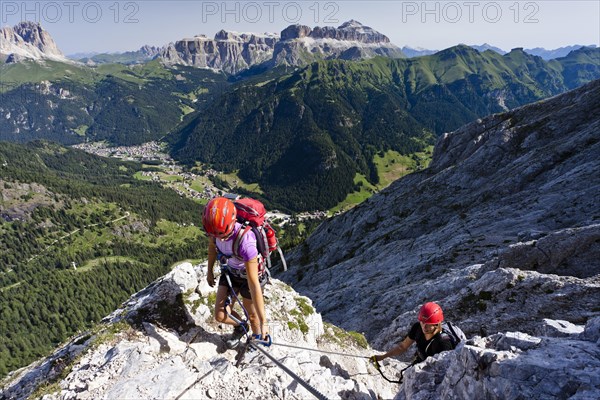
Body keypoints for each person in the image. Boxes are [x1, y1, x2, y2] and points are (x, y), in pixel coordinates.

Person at [202, 197, 269, 349]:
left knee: (252, 316)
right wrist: (209, 271)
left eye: (222, 235)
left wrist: (264, 321)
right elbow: (212, 247)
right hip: (230, 273)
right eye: (215, 235)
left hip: (247, 278)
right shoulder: (216, 230)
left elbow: (253, 282)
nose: (219, 239)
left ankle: (258, 338)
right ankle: (241, 327)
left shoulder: (246, 241)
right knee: (220, 315)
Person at [372, 302, 453, 364]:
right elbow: (402, 347)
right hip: (420, 362)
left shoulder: (443, 343)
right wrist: (383, 357)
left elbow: (443, 368)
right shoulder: (417, 328)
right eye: (422, 322)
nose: (424, 327)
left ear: (436, 324)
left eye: (428, 325)